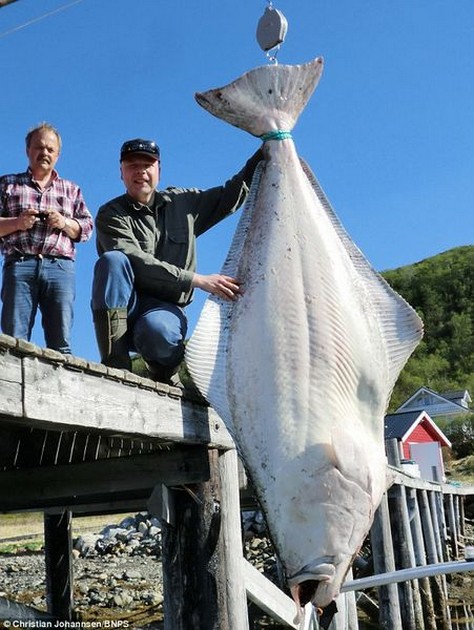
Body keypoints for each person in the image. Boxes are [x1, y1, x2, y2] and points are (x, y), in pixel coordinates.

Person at [92, 138, 262, 383]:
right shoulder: (111, 214)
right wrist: (197, 280)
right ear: (121, 173)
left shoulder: (184, 203)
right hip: (126, 306)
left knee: (158, 332)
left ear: (159, 170)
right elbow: (135, 260)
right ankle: (116, 370)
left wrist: (264, 151)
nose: (140, 171)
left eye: (147, 164)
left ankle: (164, 373)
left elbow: (230, 196)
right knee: (112, 261)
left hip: (165, 309)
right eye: (132, 165)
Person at [0, 123, 93, 354]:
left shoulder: (71, 189)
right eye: (39, 147)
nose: (45, 153)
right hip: (19, 264)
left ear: (58, 155)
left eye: (51, 149)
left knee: (61, 342)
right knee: (13, 341)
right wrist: (18, 223)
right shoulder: (7, 184)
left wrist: (64, 223)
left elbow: (87, 228)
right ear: (28, 151)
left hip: (60, 267)